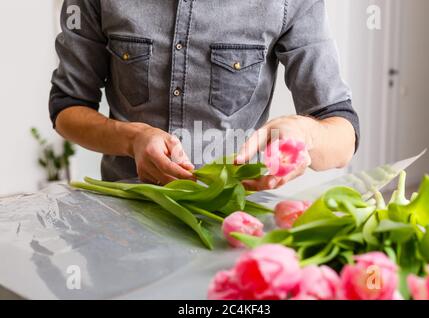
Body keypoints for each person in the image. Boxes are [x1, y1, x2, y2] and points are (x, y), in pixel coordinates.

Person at [50, 0, 359, 191]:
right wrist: (133, 139)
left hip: (233, 226)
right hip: (124, 223)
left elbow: (342, 132)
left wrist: (304, 134)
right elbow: (68, 106)